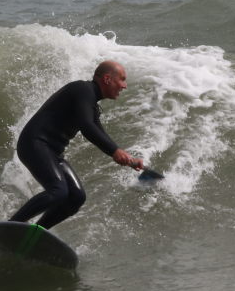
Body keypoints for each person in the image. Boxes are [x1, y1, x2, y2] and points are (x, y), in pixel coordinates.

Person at [8, 60, 144, 230]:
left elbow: (99, 132)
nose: (124, 85)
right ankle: (9, 227)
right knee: (58, 191)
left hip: (52, 152)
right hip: (35, 143)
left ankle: (35, 233)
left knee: (76, 197)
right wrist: (115, 151)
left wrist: (128, 159)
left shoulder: (91, 103)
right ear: (107, 79)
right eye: (122, 79)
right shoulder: (83, 89)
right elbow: (87, 127)